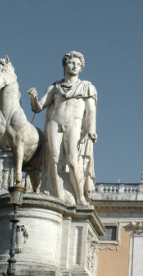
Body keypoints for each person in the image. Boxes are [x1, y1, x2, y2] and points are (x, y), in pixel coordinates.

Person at [28, 51, 97, 206]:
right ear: (65, 65)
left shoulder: (87, 87)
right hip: (55, 122)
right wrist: (33, 98)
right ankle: (57, 196)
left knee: (73, 161)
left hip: (74, 124)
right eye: (72, 63)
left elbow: (91, 111)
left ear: (81, 68)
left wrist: (91, 129)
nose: (74, 66)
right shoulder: (55, 87)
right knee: (53, 160)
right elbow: (38, 107)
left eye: (78, 64)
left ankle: (79, 197)